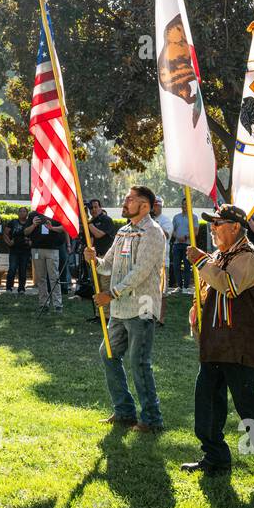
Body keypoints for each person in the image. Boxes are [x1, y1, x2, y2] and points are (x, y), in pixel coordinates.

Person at [180, 205, 254, 476]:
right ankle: (215, 457)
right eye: (212, 223)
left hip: (241, 343)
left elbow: (229, 287)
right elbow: (212, 292)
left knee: (246, 402)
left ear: (235, 227)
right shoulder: (219, 255)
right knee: (207, 401)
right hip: (217, 343)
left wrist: (200, 262)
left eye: (217, 223)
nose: (212, 228)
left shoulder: (249, 256)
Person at [83, 185, 167, 433]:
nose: (125, 201)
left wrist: (111, 293)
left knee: (139, 362)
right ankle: (124, 412)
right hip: (119, 309)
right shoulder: (123, 232)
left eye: (130, 199)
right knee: (108, 354)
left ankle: (152, 419)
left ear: (144, 205)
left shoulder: (153, 233)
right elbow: (107, 266)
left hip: (141, 307)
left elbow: (139, 272)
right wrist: (94, 259)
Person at [26, 210, 66, 312]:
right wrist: (33, 225)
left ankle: (58, 304)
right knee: (41, 278)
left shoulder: (56, 211)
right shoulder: (33, 215)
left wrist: (52, 228)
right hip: (37, 249)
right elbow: (25, 232)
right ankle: (43, 304)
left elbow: (64, 227)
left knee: (54, 277)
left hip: (52, 249)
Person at [5, 206, 33, 294]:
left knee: (23, 270)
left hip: (25, 250)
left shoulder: (30, 224)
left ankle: (21, 288)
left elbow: (34, 235)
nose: (22, 213)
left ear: (27, 213)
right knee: (12, 269)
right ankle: (9, 287)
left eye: (24, 211)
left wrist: (30, 242)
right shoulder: (13, 222)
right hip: (14, 250)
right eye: (20, 211)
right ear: (18, 213)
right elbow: (5, 233)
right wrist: (9, 242)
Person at [169, 208, 191, 292]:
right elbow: (172, 230)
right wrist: (177, 237)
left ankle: (185, 287)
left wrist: (185, 237)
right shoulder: (176, 217)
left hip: (188, 245)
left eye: (186, 204)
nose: (185, 206)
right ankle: (179, 286)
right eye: (183, 204)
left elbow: (196, 231)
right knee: (176, 266)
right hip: (177, 245)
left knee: (187, 266)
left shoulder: (194, 217)